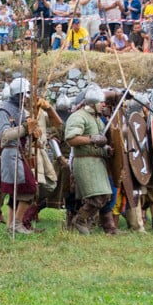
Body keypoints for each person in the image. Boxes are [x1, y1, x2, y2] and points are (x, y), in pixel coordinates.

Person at [63, 86, 114, 235]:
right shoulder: (79, 116)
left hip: (97, 161)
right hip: (84, 161)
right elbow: (71, 139)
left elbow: (100, 142)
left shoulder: (97, 119)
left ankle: (84, 221)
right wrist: (91, 139)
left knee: (104, 196)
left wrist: (106, 149)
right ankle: (79, 220)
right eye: (101, 102)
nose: (104, 105)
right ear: (93, 103)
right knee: (97, 195)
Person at [0, 77, 39, 235]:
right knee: (29, 189)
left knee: (19, 191)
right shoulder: (3, 111)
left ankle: (11, 225)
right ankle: (17, 224)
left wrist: (33, 132)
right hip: (11, 153)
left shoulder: (21, 111)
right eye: (26, 94)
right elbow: (5, 135)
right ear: (19, 94)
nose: (27, 97)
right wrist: (25, 129)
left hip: (20, 153)